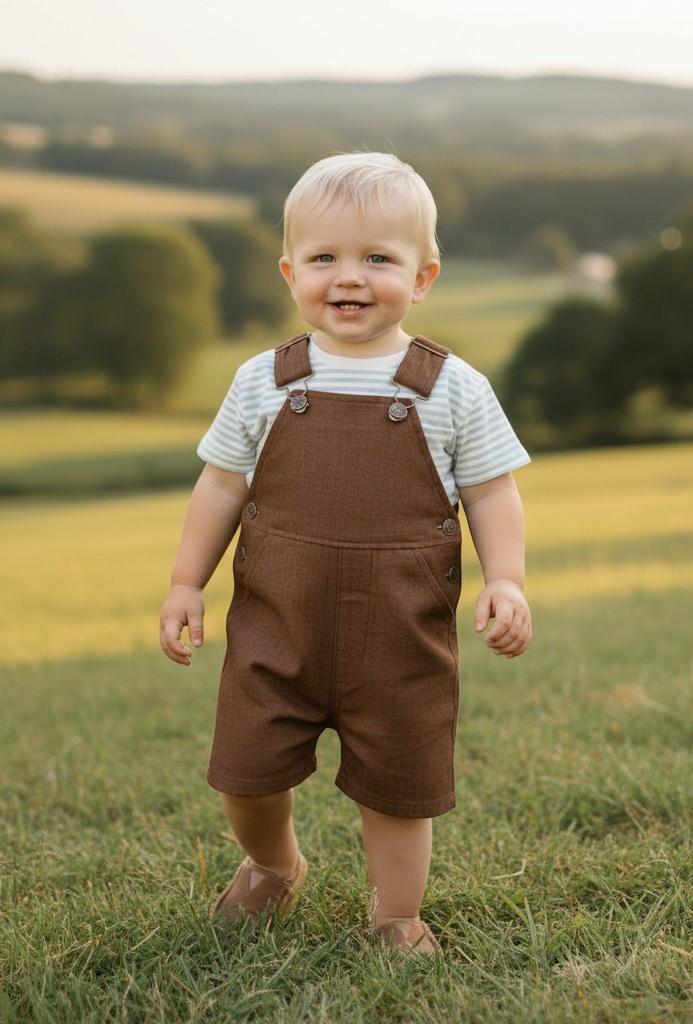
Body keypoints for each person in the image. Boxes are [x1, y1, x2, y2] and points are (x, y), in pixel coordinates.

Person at [159, 152, 532, 954]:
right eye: (324, 258)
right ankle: (274, 865)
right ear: (291, 271)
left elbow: (493, 492)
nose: (348, 278)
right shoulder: (262, 380)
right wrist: (186, 584)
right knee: (246, 776)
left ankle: (398, 913)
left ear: (423, 276)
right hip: (276, 628)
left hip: (399, 637)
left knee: (399, 792)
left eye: (378, 259)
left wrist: (507, 578)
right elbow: (220, 487)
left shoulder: (451, 387)